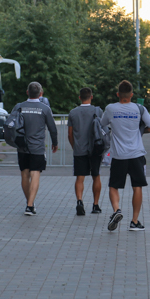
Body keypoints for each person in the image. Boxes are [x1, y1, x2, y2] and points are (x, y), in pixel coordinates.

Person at [100, 80, 150, 231]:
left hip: (118, 155)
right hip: (137, 154)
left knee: (113, 186)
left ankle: (117, 210)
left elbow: (103, 123)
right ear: (131, 94)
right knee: (137, 187)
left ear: (118, 94)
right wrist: (139, 132)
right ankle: (135, 221)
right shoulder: (140, 108)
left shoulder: (111, 108)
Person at [12, 82, 58, 216]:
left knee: (24, 175)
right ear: (41, 93)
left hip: (22, 147)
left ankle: (29, 203)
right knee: (35, 174)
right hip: (37, 148)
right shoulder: (44, 108)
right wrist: (55, 143)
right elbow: (52, 128)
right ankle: (30, 205)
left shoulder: (19, 107)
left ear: (27, 92)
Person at [67, 87, 103, 216]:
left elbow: (70, 134)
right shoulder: (98, 111)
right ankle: (95, 205)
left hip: (79, 149)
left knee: (80, 178)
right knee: (96, 176)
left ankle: (80, 201)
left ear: (79, 98)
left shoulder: (73, 113)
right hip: (95, 149)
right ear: (91, 97)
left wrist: (74, 146)